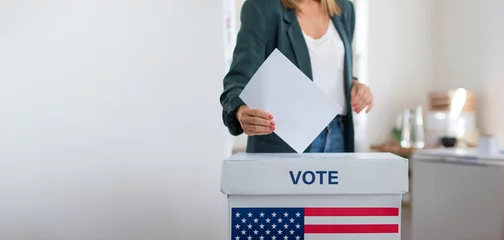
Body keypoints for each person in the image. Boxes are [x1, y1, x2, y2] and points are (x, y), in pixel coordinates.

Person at [220, 0, 373, 153]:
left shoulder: (344, 8)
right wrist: (240, 110)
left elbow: (332, 69)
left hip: (338, 135)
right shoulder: (261, 7)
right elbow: (238, 79)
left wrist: (354, 85)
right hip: (285, 140)